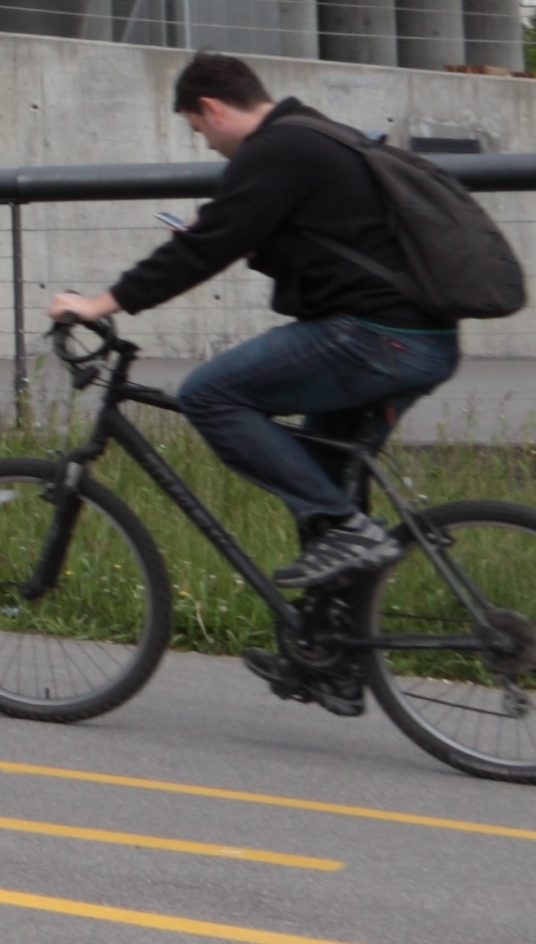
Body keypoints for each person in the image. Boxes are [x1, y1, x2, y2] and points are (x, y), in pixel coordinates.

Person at [46, 51, 460, 590]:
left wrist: (98, 304)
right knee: (320, 481)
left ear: (212, 109)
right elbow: (300, 236)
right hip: (417, 339)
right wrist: (219, 226)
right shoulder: (310, 132)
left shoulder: (276, 150)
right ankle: (332, 653)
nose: (208, 145)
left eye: (199, 131)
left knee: (209, 395)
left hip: (375, 339)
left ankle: (346, 528)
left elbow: (203, 252)